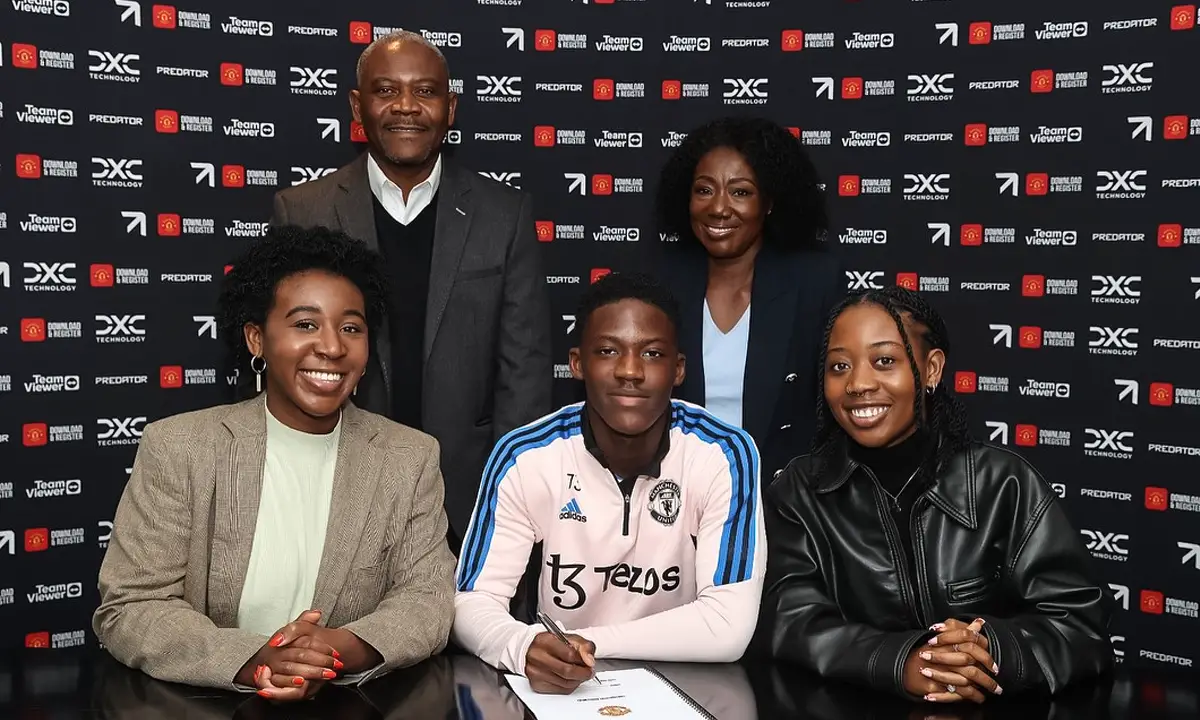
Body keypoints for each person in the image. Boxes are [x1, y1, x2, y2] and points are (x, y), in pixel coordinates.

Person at [93, 226, 456, 700]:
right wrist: (254, 661)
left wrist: (337, 651)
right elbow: (132, 606)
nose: (331, 347)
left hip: (350, 706)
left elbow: (427, 602)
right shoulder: (180, 447)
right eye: (305, 324)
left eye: (351, 327)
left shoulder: (409, 457)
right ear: (256, 339)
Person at [752, 286, 1113, 703]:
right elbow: (787, 621)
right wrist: (899, 662)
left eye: (885, 361)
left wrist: (989, 651)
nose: (858, 383)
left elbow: (1080, 625)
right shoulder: (800, 491)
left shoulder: (1003, 484)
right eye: (839, 366)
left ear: (932, 369)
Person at [270, 30, 552, 548]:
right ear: (358, 105)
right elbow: (285, 360)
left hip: (466, 492)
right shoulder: (303, 211)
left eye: (425, 92)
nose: (406, 107)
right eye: (386, 91)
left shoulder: (503, 215)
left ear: (451, 108)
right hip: (333, 482)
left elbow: (525, 373)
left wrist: (509, 496)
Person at [452, 272, 766, 694]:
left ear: (678, 370)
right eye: (607, 351)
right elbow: (471, 601)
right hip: (564, 691)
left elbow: (728, 626)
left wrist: (587, 643)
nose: (630, 371)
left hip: (686, 686)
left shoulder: (723, 453)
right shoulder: (526, 456)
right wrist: (523, 645)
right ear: (578, 364)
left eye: (652, 354)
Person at [653, 116, 845, 486]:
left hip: (783, 503)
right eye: (704, 190)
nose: (719, 208)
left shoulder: (814, 283)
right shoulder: (660, 283)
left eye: (740, 192)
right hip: (675, 500)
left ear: (769, 201)